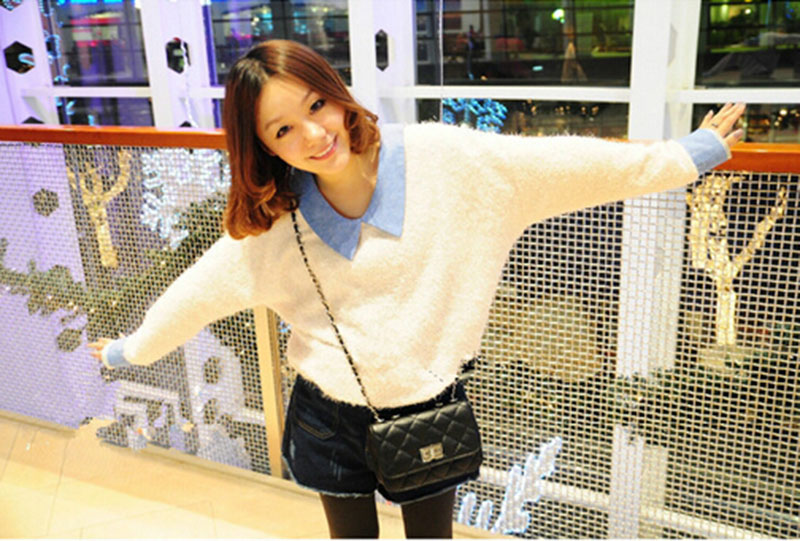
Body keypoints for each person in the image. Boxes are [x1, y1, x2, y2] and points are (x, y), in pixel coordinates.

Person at [90, 39, 745, 538]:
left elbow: (564, 163)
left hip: (428, 405)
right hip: (325, 418)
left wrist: (685, 156)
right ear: (263, 147)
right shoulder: (276, 222)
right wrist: (129, 351)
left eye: (316, 105)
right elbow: (198, 292)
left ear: (336, 93)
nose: (313, 135)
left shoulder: (443, 160)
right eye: (282, 129)